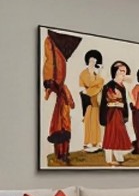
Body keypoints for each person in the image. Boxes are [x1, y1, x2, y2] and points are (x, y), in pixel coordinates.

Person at [41, 30, 81, 165]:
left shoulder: (63, 88)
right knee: (60, 131)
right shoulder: (50, 43)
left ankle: (63, 154)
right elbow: (50, 62)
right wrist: (49, 82)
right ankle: (61, 154)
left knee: (63, 131)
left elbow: (70, 101)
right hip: (60, 111)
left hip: (63, 114)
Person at [99, 61, 132, 166]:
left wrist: (125, 114)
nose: (123, 73)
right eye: (121, 71)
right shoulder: (109, 86)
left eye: (125, 72)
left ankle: (118, 156)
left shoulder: (122, 87)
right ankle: (109, 159)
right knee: (111, 135)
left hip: (119, 114)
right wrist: (116, 105)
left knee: (119, 135)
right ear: (115, 72)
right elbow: (106, 103)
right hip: (111, 115)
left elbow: (125, 102)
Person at [78, 49, 104, 154]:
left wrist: (95, 85)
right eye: (91, 60)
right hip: (88, 101)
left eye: (94, 61)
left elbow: (100, 84)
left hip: (96, 101)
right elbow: (86, 86)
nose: (92, 63)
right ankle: (88, 142)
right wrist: (94, 86)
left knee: (96, 122)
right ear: (87, 61)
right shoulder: (83, 73)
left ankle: (97, 142)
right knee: (88, 121)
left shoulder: (96, 73)